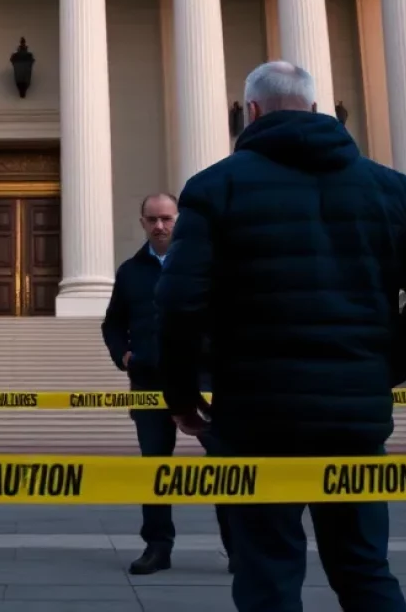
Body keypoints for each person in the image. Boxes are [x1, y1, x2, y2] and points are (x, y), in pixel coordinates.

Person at [154, 61, 406, 612]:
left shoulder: (214, 188)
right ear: (318, 109)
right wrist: (380, 368)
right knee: (366, 570)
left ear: (250, 111)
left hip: (255, 416)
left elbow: (178, 302)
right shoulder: (389, 188)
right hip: (353, 418)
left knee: (268, 577)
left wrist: (181, 398)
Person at [102, 192, 233, 575]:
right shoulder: (130, 271)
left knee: (224, 467)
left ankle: (238, 548)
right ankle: (157, 547)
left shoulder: (206, 266)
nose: (160, 226)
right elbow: (112, 322)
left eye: (167, 218)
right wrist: (123, 354)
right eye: (152, 219)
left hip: (205, 383)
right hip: (149, 385)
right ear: (142, 223)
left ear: (179, 220)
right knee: (155, 469)